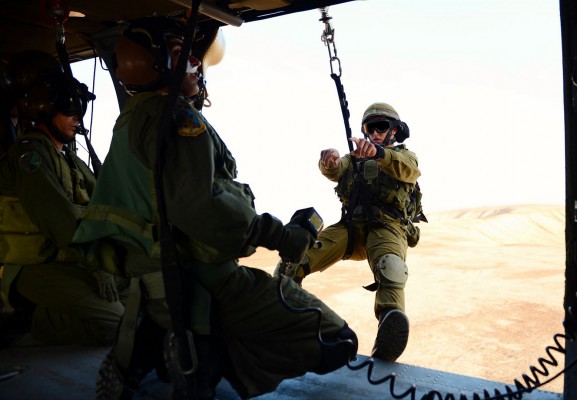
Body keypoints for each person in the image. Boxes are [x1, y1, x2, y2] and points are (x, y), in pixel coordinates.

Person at [72, 16, 358, 399]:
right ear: (158, 65)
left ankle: (154, 340)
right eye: (180, 54)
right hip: (204, 279)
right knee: (338, 340)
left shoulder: (130, 119)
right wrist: (283, 236)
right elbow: (200, 207)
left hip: (152, 284)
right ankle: (204, 354)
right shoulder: (177, 117)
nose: (194, 61)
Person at [276, 102, 425, 363]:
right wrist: (329, 161)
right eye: (370, 127)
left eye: (382, 126)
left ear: (394, 130)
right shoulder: (355, 157)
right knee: (294, 258)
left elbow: (409, 170)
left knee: (391, 266)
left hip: (387, 228)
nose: (376, 132)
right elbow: (336, 170)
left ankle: (389, 330)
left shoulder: (405, 156)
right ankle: (281, 317)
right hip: (350, 230)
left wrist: (380, 154)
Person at [0, 68, 125, 346]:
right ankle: (35, 321)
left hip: (71, 262)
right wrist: (101, 266)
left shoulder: (70, 159)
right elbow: (63, 223)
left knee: (141, 298)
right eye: (70, 108)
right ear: (44, 107)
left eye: (80, 108)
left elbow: (104, 204)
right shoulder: (31, 156)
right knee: (118, 325)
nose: (77, 117)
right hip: (31, 269)